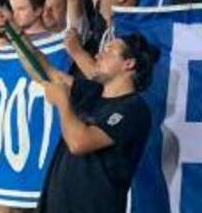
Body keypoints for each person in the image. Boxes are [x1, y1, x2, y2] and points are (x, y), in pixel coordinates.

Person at [28, 32, 158, 213]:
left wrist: (63, 102)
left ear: (129, 63)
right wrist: (15, 33)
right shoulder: (91, 93)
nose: (98, 55)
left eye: (108, 51)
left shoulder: (133, 109)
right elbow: (45, 72)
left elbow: (79, 143)